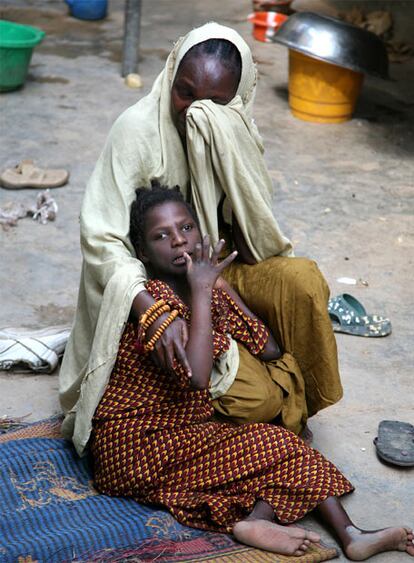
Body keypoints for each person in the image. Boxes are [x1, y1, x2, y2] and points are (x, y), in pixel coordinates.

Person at [59, 22, 342, 457]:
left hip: (216, 268)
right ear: (171, 73)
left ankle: (297, 410)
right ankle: (253, 423)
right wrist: (151, 308)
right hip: (160, 288)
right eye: (184, 92)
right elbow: (102, 236)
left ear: (238, 98)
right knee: (253, 394)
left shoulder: (236, 127)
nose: (193, 111)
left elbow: (251, 228)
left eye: (214, 103)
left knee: (301, 281)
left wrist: (225, 282)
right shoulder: (138, 130)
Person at [91, 184, 414, 560]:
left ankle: (347, 535)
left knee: (286, 448)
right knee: (278, 446)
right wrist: (201, 290)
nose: (179, 242)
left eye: (186, 228)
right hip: (137, 446)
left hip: (184, 430)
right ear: (144, 252)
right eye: (162, 236)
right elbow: (197, 376)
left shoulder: (208, 287)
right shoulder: (153, 302)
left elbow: (269, 347)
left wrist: (222, 288)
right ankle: (272, 524)